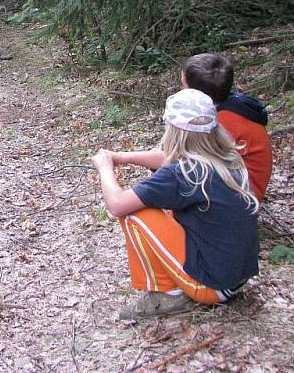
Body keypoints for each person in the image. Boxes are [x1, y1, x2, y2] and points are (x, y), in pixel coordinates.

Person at [92, 88, 259, 319]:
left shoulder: (183, 175)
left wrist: (105, 168)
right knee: (152, 208)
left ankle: (168, 295)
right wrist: (123, 157)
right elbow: (165, 158)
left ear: (174, 131)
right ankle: (180, 286)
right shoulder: (225, 159)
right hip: (236, 278)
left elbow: (117, 204)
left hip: (213, 287)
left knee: (135, 214)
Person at [182, 53, 273, 200]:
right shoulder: (230, 106)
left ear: (195, 94)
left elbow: (188, 162)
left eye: (184, 86)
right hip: (235, 183)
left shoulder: (221, 122)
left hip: (242, 194)